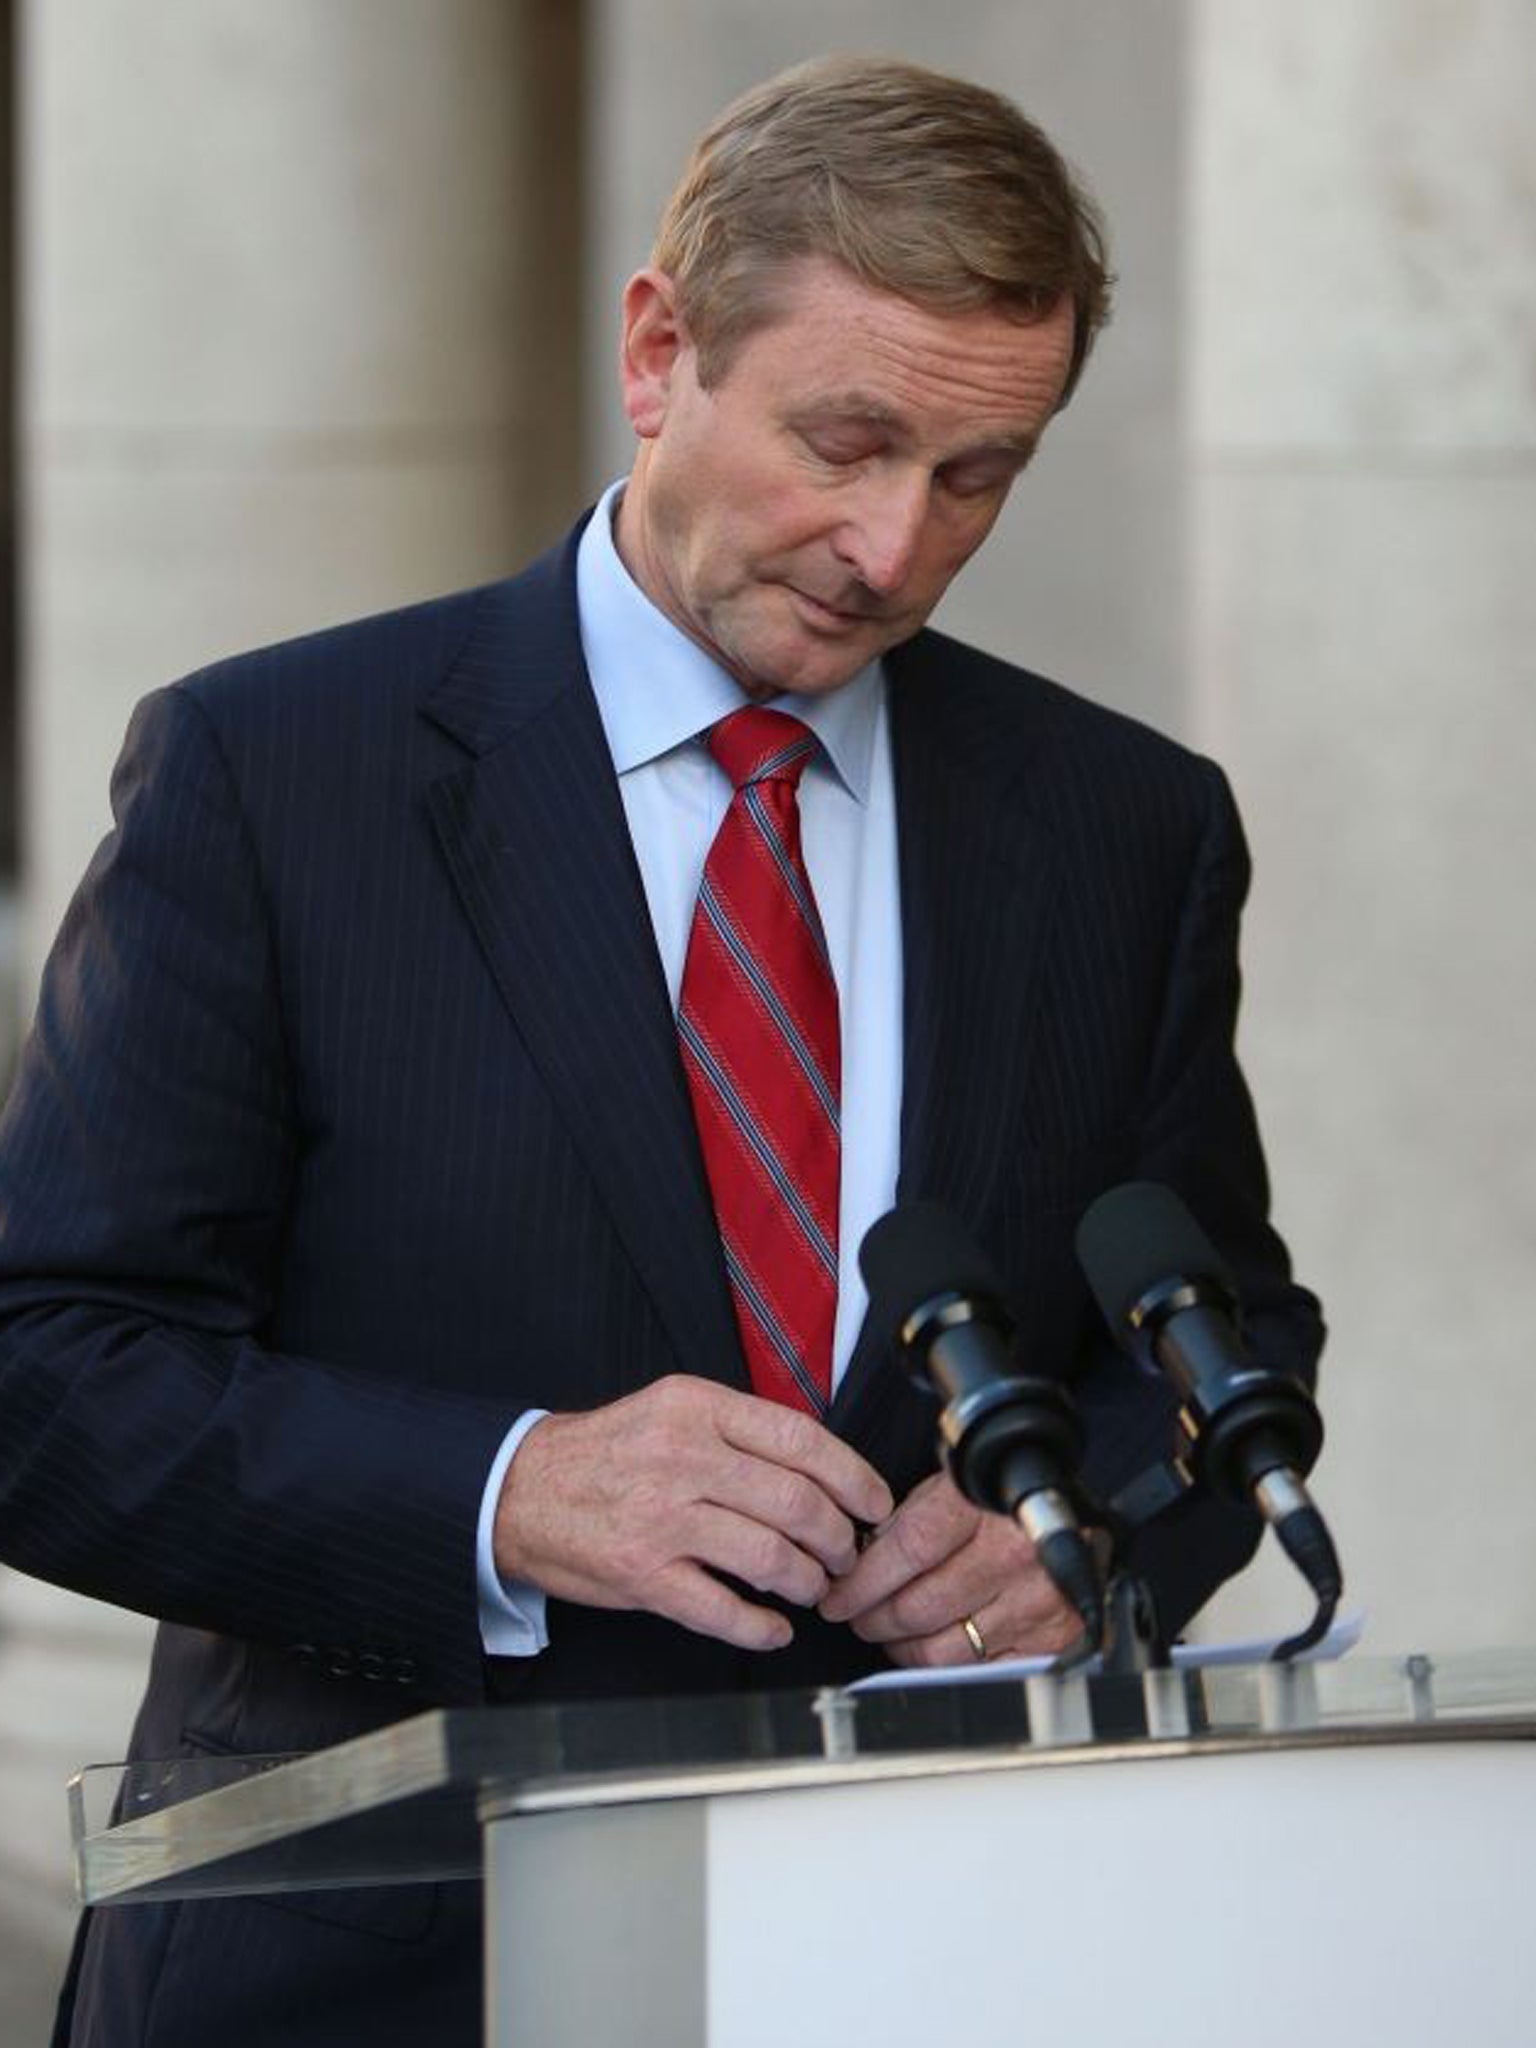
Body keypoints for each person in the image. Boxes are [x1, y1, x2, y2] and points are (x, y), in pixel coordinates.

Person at [0, 53, 1322, 2048]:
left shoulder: (1124, 830)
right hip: (371, 1978)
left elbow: (1216, 1331)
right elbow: (44, 1366)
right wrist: (507, 1490)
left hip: (947, 1955)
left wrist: (1092, 1538)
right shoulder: (276, 778)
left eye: (978, 475)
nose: (893, 546)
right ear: (657, 349)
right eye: (846, 438)